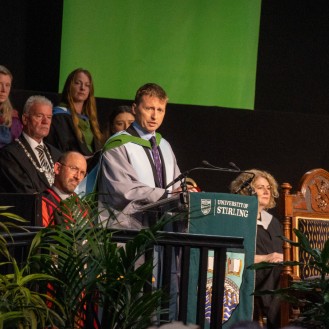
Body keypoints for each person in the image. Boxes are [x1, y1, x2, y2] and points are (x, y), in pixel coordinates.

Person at [98, 82, 191, 228]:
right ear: (134, 109)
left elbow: (177, 185)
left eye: (160, 110)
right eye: (149, 108)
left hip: (163, 232)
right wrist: (165, 196)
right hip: (128, 231)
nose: (155, 116)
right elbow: (124, 191)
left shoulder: (164, 145)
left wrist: (186, 193)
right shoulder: (118, 145)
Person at [230, 169, 283, 329]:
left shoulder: (273, 222)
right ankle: (278, 322)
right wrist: (265, 258)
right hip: (248, 273)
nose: (267, 191)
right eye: (261, 187)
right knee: (277, 271)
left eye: (268, 187)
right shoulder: (238, 220)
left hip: (275, 273)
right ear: (247, 190)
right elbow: (233, 256)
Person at [45, 68, 104, 171]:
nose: (82, 88)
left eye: (87, 85)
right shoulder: (59, 116)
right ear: (69, 86)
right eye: (78, 83)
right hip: (72, 170)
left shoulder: (89, 120)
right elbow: (59, 149)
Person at [0, 95, 61, 193]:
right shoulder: (9, 155)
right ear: (25, 119)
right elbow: (25, 193)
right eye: (39, 116)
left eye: (49, 117)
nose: (45, 122)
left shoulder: (57, 155)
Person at [42, 151, 87, 226]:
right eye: (74, 169)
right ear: (58, 168)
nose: (78, 177)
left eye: (82, 173)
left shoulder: (83, 205)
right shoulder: (43, 203)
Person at [0, 65, 22, 148]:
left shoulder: (13, 119)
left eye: (7, 85)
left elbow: (18, 148)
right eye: (0, 84)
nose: (4, 90)